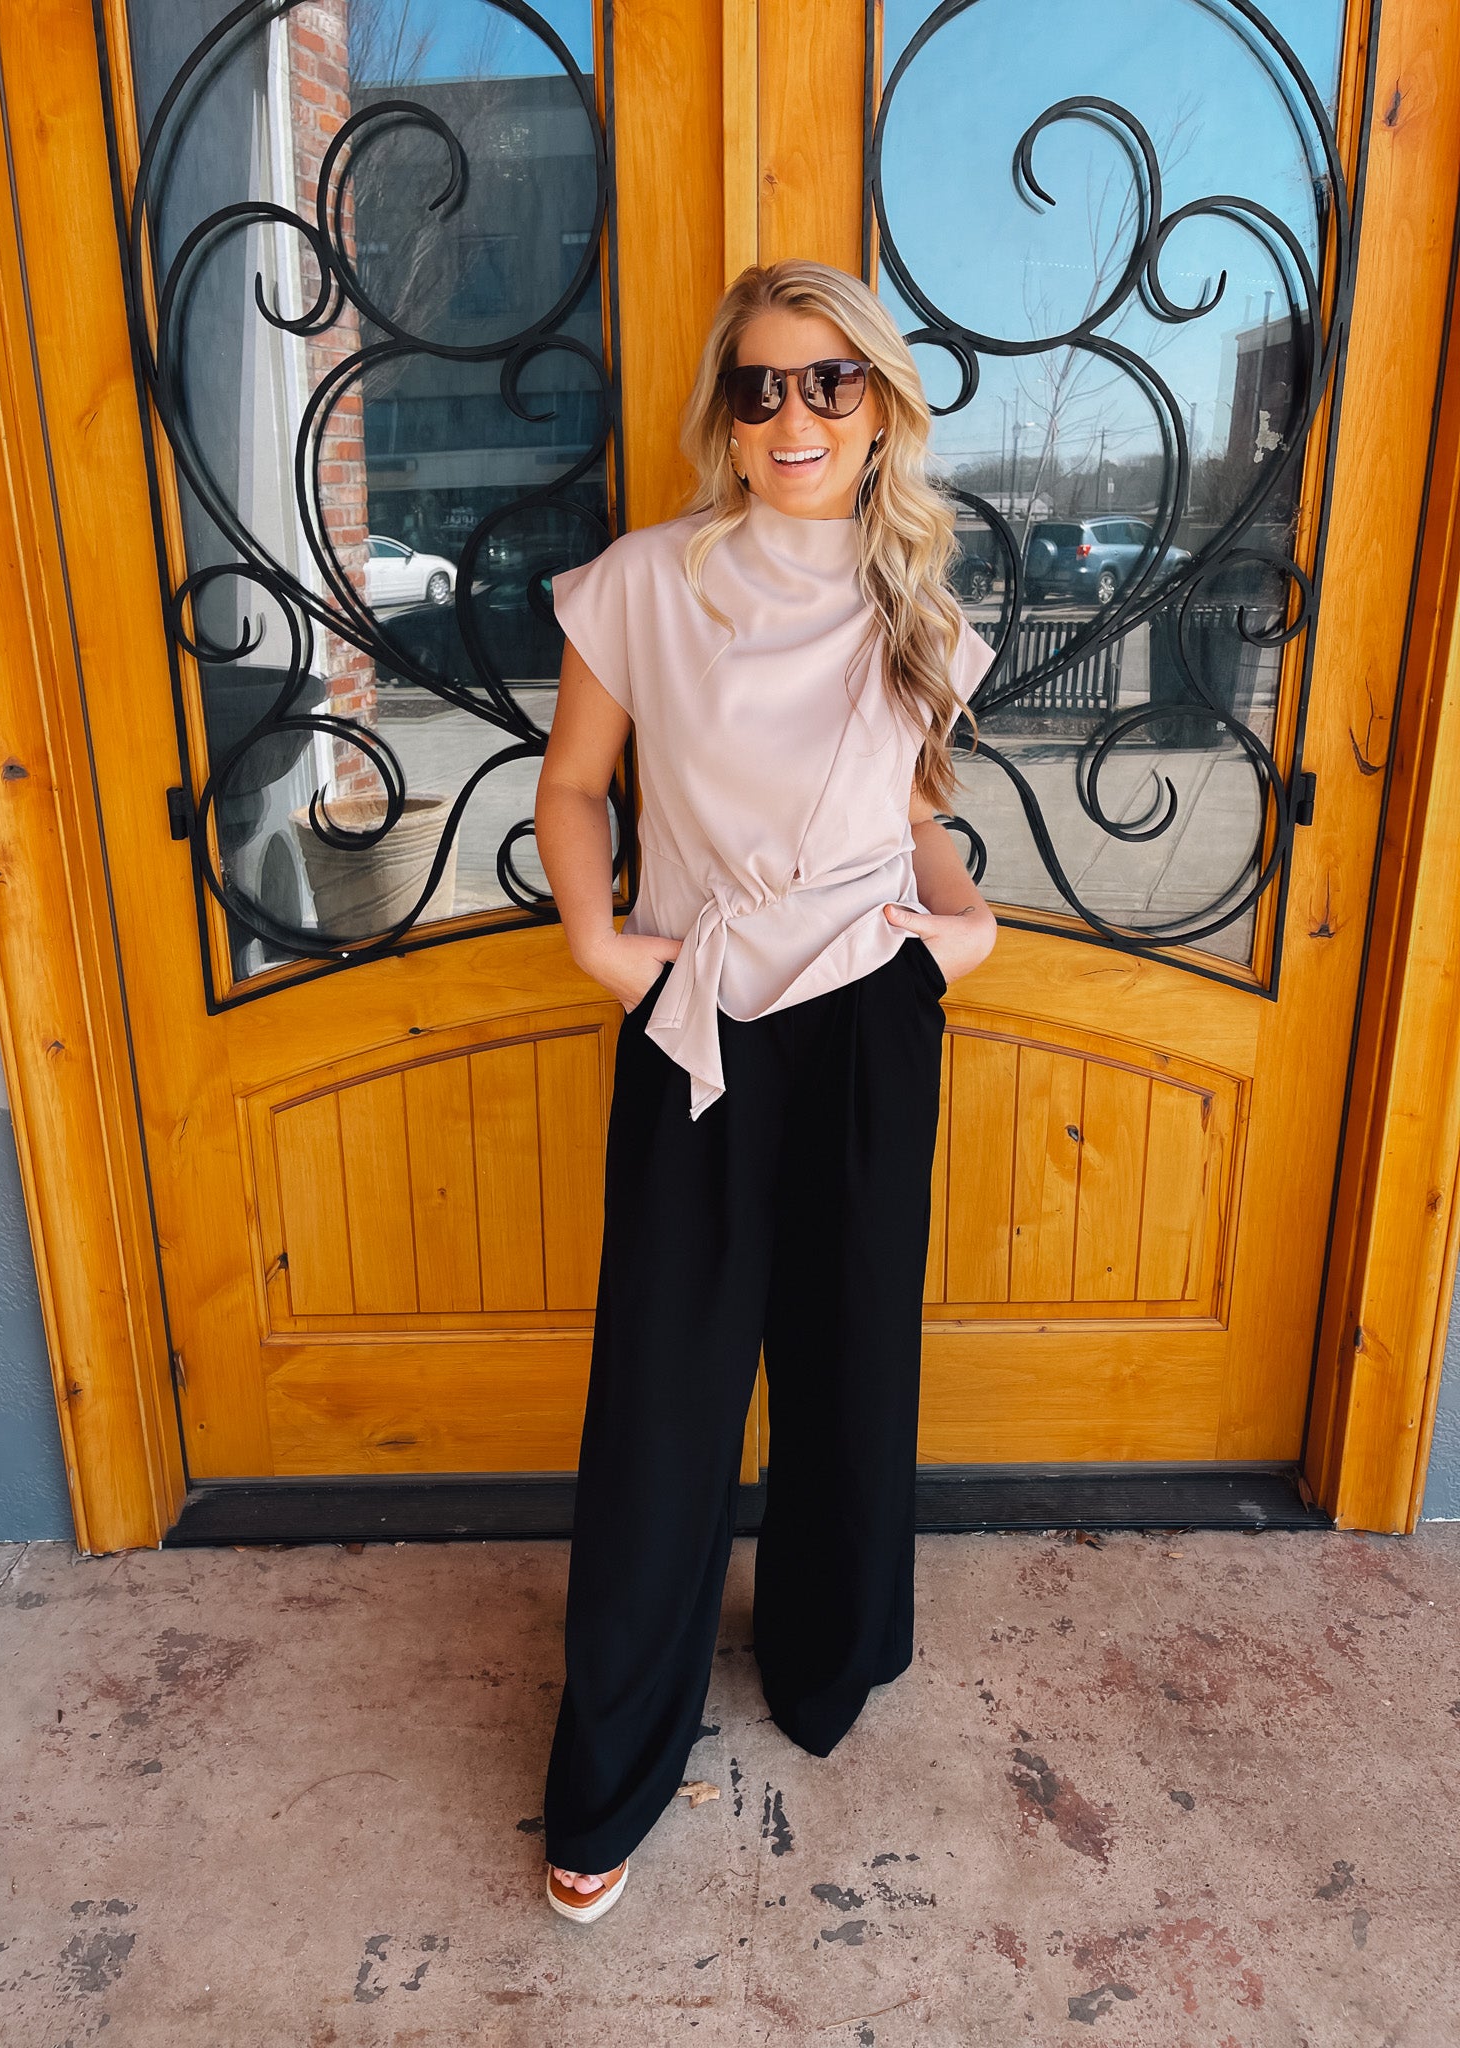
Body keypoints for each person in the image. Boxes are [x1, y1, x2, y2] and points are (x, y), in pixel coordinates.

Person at [531, 258, 999, 1924]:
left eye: (829, 382)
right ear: (724, 415)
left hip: (873, 1012)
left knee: (852, 1362)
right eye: (760, 387)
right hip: (700, 1015)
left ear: (878, 406)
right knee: (664, 1397)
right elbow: (576, 786)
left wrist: (965, 924)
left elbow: (913, 811)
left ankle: (825, 1654)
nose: (793, 416)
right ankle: (613, 1767)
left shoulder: (915, 601)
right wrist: (598, 944)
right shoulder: (645, 586)